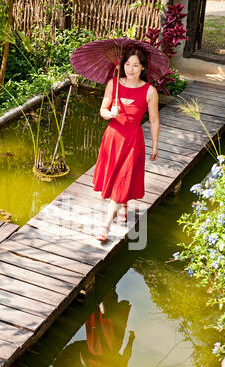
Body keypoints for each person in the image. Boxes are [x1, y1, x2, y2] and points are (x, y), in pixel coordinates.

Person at [93, 48, 159, 241]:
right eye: (127, 64)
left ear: (143, 68)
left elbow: (154, 120)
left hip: (132, 141)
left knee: (123, 180)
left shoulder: (150, 91)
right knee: (114, 178)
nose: (130, 69)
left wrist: (155, 145)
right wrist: (109, 113)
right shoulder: (113, 84)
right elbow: (102, 110)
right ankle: (123, 205)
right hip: (112, 139)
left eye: (135, 65)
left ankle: (105, 227)